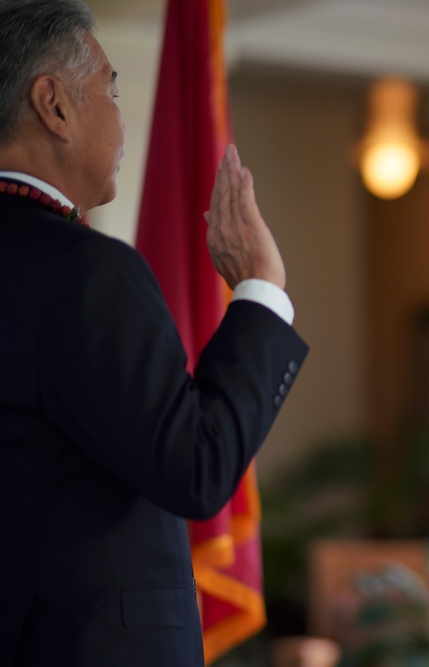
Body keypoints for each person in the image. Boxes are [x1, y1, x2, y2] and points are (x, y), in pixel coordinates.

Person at [0, 1, 308, 665]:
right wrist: (261, 290)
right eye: (110, 87)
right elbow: (195, 467)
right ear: (52, 105)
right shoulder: (82, 270)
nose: (122, 113)